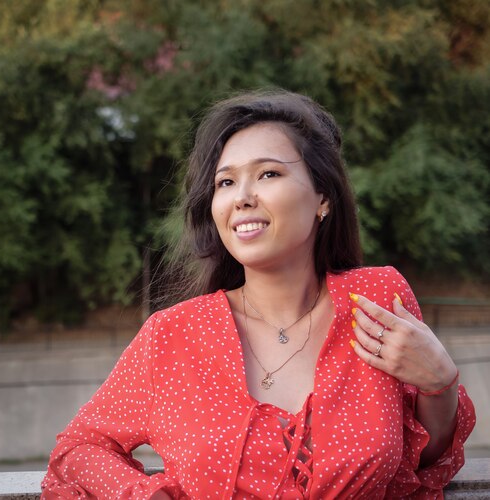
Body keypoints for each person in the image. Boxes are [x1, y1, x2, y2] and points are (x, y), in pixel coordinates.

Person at [41, 89, 475, 499]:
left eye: (268, 173)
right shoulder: (174, 335)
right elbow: (79, 450)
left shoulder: (376, 301)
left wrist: (441, 384)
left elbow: (424, 466)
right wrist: (149, 496)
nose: (242, 198)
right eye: (225, 183)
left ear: (323, 197)